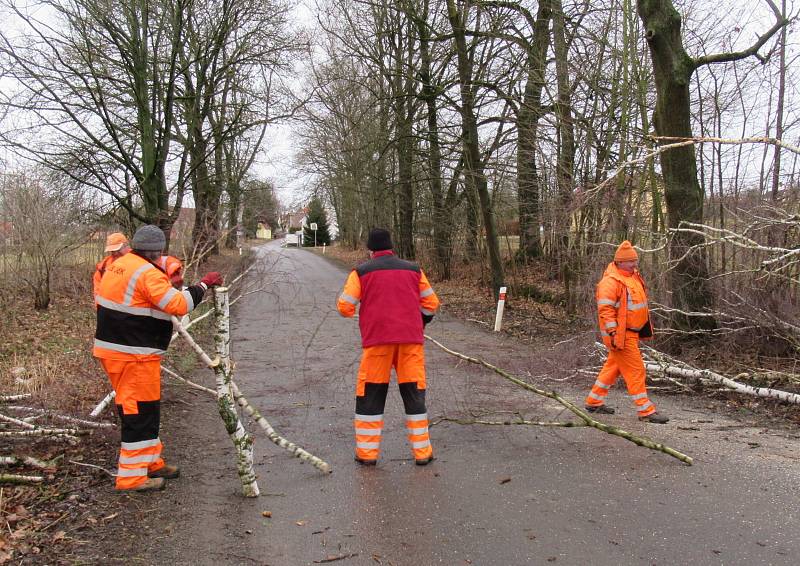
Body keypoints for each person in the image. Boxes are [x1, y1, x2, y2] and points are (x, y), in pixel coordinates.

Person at [94, 224, 223, 491]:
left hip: (122, 352)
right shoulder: (147, 273)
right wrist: (204, 284)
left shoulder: (120, 264)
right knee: (139, 414)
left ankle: (151, 462)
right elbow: (179, 305)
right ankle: (131, 477)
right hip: (132, 355)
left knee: (147, 410)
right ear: (157, 251)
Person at [337, 228, 441, 466]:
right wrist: (421, 320)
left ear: (370, 249)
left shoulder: (361, 272)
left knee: (371, 396)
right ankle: (423, 453)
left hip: (377, 344)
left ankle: (367, 454)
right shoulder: (414, 270)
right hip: (410, 343)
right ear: (391, 246)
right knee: (414, 396)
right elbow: (431, 303)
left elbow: (344, 307)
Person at [584, 240, 668, 424]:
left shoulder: (633, 276)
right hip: (621, 335)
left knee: (613, 368)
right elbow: (605, 311)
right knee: (636, 370)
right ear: (620, 261)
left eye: (635, 260)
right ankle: (645, 410)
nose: (634, 264)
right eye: (631, 261)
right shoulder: (610, 282)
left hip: (631, 333)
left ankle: (593, 401)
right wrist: (614, 333)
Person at [93, 233, 130, 302]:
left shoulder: (137, 261)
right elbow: (97, 287)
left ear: (126, 246)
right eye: (112, 251)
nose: (115, 253)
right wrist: (99, 305)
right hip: (108, 309)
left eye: (118, 250)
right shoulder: (104, 265)